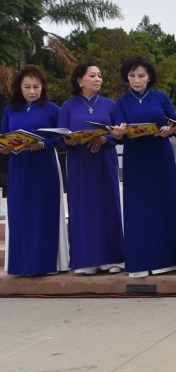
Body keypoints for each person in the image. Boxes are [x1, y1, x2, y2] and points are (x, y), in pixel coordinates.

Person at [109, 57, 176, 278]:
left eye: (141, 75)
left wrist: (169, 129)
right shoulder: (121, 102)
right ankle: (139, 263)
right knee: (137, 209)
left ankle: (166, 260)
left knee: (163, 205)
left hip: (160, 157)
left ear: (149, 77)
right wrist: (117, 134)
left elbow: (175, 123)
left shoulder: (160, 97)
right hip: (136, 160)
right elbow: (118, 132)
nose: (136, 80)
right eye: (132, 76)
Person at [1, 65, 68, 276]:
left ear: (43, 87)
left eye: (36, 87)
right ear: (19, 87)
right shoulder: (10, 110)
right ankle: (22, 266)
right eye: (27, 87)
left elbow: (62, 138)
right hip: (19, 168)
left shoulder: (52, 109)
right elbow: (3, 136)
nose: (32, 91)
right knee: (21, 213)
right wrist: (5, 147)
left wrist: (43, 144)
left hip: (44, 166)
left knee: (44, 213)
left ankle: (47, 264)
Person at [58, 61, 123, 275]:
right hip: (80, 162)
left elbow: (119, 133)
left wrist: (105, 138)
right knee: (83, 207)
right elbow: (60, 136)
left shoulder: (110, 104)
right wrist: (69, 140)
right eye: (92, 75)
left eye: (99, 75)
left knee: (108, 204)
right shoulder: (68, 106)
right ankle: (86, 260)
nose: (98, 79)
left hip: (104, 160)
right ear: (80, 80)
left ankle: (113, 258)